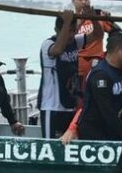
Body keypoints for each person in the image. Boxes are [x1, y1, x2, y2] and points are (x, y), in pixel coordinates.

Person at [76, 30, 122, 141]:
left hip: (112, 129)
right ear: (118, 50)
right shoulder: (100, 75)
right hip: (95, 132)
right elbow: (106, 110)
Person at [37, 10, 87, 138]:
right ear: (56, 29)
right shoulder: (48, 44)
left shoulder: (76, 41)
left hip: (69, 104)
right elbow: (58, 50)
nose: (70, 35)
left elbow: (97, 36)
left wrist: (92, 18)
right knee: (49, 145)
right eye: (67, 30)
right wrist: (67, 22)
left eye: (73, 31)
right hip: (51, 106)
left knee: (68, 143)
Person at [71, 0, 112, 90]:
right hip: (77, 69)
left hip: (98, 67)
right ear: (73, 0)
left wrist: (109, 18)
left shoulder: (99, 17)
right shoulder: (71, 21)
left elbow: (115, 35)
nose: (84, 2)